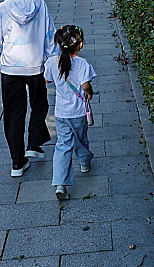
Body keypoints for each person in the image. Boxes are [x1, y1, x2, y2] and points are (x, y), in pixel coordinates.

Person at [0, 0, 56, 177]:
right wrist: (50, 63)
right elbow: (50, 35)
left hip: (10, 67)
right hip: (35, 65)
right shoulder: (40, 4)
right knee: (39, 105)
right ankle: (33, 143)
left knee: (13, 112)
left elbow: (0, 40)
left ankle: (17, 162)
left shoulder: (3, 8)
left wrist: (5, 56)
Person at [44, 25, 95, 200]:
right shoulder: (83, 64)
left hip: (61, 113)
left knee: (63, 145)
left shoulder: (52, 61)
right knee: (80, 139)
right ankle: (84, 162)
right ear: (80, 45)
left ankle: (60, 183)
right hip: (78, 113)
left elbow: (47, 79)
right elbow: (86, 86)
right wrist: (89, 93)